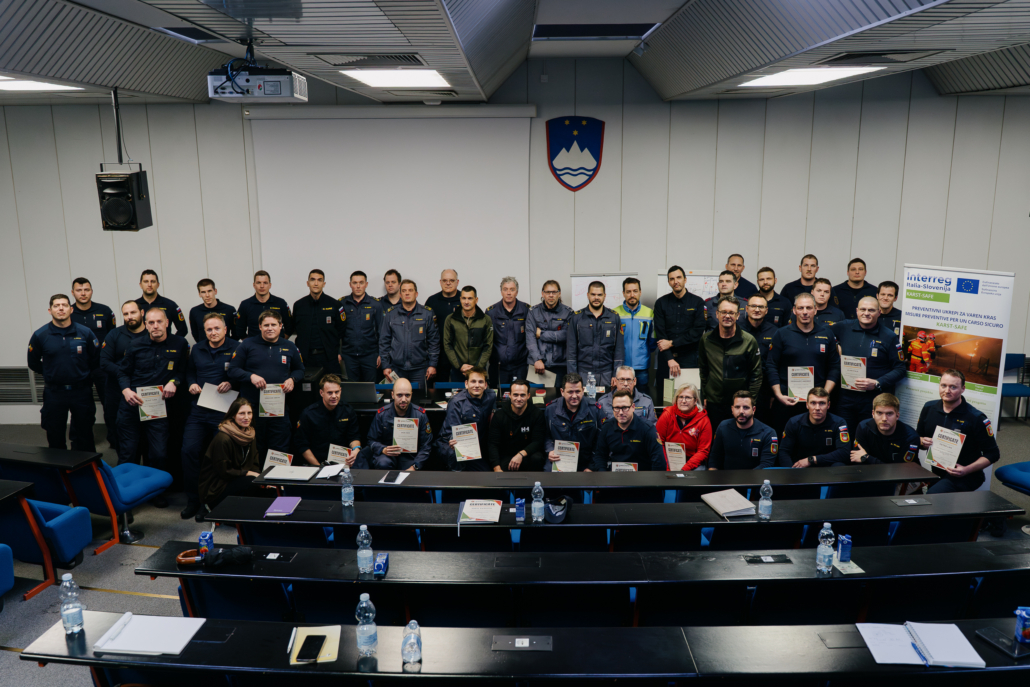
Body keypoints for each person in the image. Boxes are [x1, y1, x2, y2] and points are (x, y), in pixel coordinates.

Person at [116, 308, 189, 505]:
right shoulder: (135, 344)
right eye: (150, 322)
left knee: (159, 454)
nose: (155, 326)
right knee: (128, 453)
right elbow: (122, 372)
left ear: (167, 323)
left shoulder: (179, 344)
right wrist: (126, 390)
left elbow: (182, 371)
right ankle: (123, 498)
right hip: (132, 405)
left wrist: (174, 382)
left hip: (158, 408)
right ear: (145, 324)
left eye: (159, 322)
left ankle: (155, 492)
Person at [179, 313, 239, 519]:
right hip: (199, 409)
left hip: (224, 411)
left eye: (217, 328)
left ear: (225, 329)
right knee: (189, 451)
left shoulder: (237, 348)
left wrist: (232, 382)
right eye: (209, 329)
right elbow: (189, 372)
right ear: (204, 332)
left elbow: (244, 373)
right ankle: (194, 500)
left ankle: (212, 502)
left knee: (219, 457)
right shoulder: (197, 349)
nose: (213, 332)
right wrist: (191, 383)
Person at [28, 294, 101, 452]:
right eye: (56, 306)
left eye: (64, 305)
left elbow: (96, 359)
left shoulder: (85, 333)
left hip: (81, 392)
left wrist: (82, 374)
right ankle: (59, 468)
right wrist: (51, 373)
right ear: (50, 310)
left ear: (71, 309)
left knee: (85, 435)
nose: (61, 308)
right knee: (55, 436)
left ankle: (86, 466)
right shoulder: (40, 335)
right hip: (54, 393)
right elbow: (33, 362)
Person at [227, 310, 304, 455]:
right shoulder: (247, 344)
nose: (270, 328)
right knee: (255, 448)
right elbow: (233, 370)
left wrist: (292, 379)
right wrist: (251, 376)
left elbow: (300, 370)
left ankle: (276, 471)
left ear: (280, 326)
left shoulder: (290, 346)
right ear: (260, 326)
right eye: (266, 325)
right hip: (252, 409)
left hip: (278, 408)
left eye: (273, 325)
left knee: (279, 449)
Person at [831, 296, 906, 436]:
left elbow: (900, 369)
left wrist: (877, 383)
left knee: (868, 437)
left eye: (871, 310)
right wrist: (835, 347)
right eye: (863, 309)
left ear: (879, 312)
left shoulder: (889, 336)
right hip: (845, 398)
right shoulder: (843, 327)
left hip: (872, 399)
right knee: (844, 436)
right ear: (857, 311)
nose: (866, 313)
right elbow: (820, 332)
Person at [917, 369, 1000, 493]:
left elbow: (993, 454)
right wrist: (922, 442)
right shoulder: (929, 408)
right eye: (943, 385)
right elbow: (919, 437)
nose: (947, 391)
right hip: (937, 472)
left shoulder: (976, 417)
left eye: (953, 387)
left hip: (966, 475)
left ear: (963, 389)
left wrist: (966, 470)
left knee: (932, 496)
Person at [766, 293, 841, 430]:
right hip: (787, 400)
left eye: (809, 308)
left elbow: (834, 366)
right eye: (800, 308)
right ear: (794, 310)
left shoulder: (827, 334)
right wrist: (778, 395)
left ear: (815, 310)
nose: (805, 312)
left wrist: (824, 395)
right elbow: (771, 365)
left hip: (816, 402)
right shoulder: (781, 334)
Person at [698, 295, 763, 431]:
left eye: (731, 313)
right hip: (714, 403)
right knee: (716, 439)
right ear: (717, 314)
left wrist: (749, 401)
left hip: (740, 405)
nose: (727, 316)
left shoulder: (748, 341)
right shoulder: (706, 340)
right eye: (724, 312)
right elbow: (703, 370)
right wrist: (705, 395)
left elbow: (756, 375)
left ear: (738, 315)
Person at [197, 398, 263, 519]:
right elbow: (224, 472)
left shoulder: (250, 434)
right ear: (233, 415)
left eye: (249, 413)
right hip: (217, 488)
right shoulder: (223, 438)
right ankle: (212, 509)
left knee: (265, 487)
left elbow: (254, 463)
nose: (246, 417)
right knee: (251, 482)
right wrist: (248, 473)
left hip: (236, 479)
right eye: (241, 413)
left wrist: (261, 479)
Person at [70, 278, 116, 441]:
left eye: (86, 290)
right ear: (73, 292)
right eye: (79, 290)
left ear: (91, 291)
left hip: (102, 366)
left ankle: (115, 439)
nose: (83, 293)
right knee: (81, 405)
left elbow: (113, 336)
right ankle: (81, 440)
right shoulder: (68, 313)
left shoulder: (105, 310)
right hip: (79, 367)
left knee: (109, 403)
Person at [99, 301, 147, 453]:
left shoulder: (151, 333)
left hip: (145, 388)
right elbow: (104, 362)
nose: (129, 317)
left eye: (133, 312)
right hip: (117, 390)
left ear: (142, 313)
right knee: (120, 429)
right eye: (126, 314)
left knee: (148, 431)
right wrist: (125, 373)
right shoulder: (114, 334)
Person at [379, 279, 439, 389]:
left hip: (420, 369)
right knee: (398, 397)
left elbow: (434, 341)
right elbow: (384, 341)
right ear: (400, 294)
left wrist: (432, 364)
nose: (407, 293)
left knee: (419, 398)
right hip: (397, 368)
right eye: (404, 291)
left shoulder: (427, 313)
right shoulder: (391, 314)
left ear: (416, 294)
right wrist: (386, 365)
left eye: (410, 290)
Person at [293, 373, 362, 467]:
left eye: (337, 392)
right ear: (321, 393)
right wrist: (318, 467)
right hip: (318, 462)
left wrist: (356, 449)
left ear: (341, 391)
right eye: (330, 393)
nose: (334, 396)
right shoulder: (308, 414)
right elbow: (302, 445)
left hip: (343, 462)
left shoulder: (347, 410)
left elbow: (354, 436)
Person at [437, 367, 497, 472]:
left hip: (476, 444)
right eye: (473, 381)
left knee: (485, 474)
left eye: (480, 382)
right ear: (466, 384)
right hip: (451, 443)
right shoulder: (456, 402)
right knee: (456, 456)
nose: (477, 385)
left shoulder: (491, 396)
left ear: (485, 385)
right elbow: (453, 432)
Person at [591, 390, 666, 472]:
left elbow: (659, 462)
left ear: (633, 407)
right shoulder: (607, 427)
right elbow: (600, 456)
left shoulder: (647, 429)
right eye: (616, 408)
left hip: (641, 477)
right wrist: (603, 475)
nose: (620, 412)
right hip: (615, 476)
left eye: (625, 408)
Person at [366, 378, 432, 471]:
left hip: (410, 457)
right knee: (383, 463)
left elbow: (426, 446)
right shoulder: (382, 414)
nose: (403, 399)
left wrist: (415, 467)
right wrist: (383, 449)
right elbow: (371, 440)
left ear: (411, 395)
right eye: (399, 395)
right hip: (388, 455)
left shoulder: (420, 415)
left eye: (407, 395)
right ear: (392, 395)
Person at [567, 281, 624, 387]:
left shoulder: (614, 317)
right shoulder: (577, 318)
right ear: (588, 295)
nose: (596, 298)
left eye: (599, 295)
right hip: (583, 373)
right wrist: (573, 376)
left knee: (607, 398)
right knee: (585, 398)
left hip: (607, 373)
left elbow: (619, 349)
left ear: (604, 296)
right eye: (593, 294)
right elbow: (571, 350)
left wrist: (616, 374)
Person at [544, 373, 605, 472]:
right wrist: (550, 450)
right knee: (548, 475)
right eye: (570, 392)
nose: (574, 396)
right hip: (559, 458)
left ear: (583, 390)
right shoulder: (550, 409)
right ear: (562, 392)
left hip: (587, 459)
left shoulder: (595, 410)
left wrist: (591, 466)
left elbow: (601, 440)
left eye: (577, 391)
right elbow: (546, 435)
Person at [654, 265, 706, 379]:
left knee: (689, 389)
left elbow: (697, 332)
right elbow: (660, 333)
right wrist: (670, 358)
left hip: (690, 358)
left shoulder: (698, 302)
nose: (675, 281)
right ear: (668, 282)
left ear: (685, 279)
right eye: (672, 279)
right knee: (665, 390)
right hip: (666, 358)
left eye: (678, 277)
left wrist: (672, 343)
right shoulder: (660, 303)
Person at [292, 269, 347, 376]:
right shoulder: (299, 305)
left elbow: (342, 329)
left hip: (329, 358)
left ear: (324, 284)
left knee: (332, 385)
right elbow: (295, 328)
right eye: (313, 280)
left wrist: (335, 351)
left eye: (319, 280)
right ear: (308, 283)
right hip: (305, 358)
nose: (316, 283)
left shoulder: (335, 304)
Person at [779, 387, 850, 468]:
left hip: (828, 466)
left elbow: (844, 452)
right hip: (801, 467)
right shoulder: (794, 422)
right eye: (813, 403)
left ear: (828, 405)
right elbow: (784, 452)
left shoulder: (839, 423)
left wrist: (812, 460)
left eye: (822, 403)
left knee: (839, 466)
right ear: (807, 405)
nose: (817, 408)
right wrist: (791, 472)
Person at [708, 391, 778, 470]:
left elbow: (766, 465)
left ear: (753, 409)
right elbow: (715, 458)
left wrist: (745, 477)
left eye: (746, 407)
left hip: (755, 476)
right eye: (737, 407)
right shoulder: (723, 427)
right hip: (727, 477)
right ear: (732, 409)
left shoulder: (768, 433)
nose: (741, 411)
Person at [487, 379, 546, 472]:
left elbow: (538, 441)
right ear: (510, 395)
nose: (519, 399)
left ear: (528, 396)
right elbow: (493, 444)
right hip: (507, 456)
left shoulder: (537, 414)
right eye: (515, 395)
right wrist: (496, 468)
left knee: (537, 458)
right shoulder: (499, 415)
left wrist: (520, 454)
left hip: (527, 455)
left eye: (522, 395)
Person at [526, 280, 573, 391]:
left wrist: (541, 334)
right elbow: (530, 338)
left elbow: (566, 335)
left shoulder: (568, 313)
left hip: (560, 366)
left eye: (554, 292)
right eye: (547, 292)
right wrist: (537, 359)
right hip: (537, 365)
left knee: (559, 397)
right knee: (537, 398)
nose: (551, 295)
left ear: (559, 294)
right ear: (542, 294)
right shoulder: (533, 312)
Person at [740, 294, 779, 423]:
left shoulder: (774, 332)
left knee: (761, 422)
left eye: (761, 307)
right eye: (753, 306)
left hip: (764, 388)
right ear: (747, 308)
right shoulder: (736, 328)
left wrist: (773, 393)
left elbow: (777, 363)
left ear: (766, 310)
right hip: (740, 384)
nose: (757, 310)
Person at [655, 383, 712, 471]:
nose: (683, 401)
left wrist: (684, 469)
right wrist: (667, 467)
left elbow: (703, 451)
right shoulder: (667, 415)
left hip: (693, 463)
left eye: (688, 397)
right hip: (669, 460)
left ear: (695, 401)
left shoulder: (703, 420)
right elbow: (659, 443)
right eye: (680, 397)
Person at [851, 393, 920, 465]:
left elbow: (900, 470)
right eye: (879, 413)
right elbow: (857, 459)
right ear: (873, 414)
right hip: (870, 471)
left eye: (889, 413)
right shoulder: (863, 427)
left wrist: (867, 458)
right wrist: (866, 459)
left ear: (897, 416)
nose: (884, 419)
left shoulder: (911, 437)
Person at [442, 286, 493, 382]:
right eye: (464, 298)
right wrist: (460, 366)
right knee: (458, 392)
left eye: (470, 298)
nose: (466, 302)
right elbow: (447, 345)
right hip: (458, 370)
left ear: (476, 300)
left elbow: (488, 346)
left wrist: (477, 368)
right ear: (460, 299)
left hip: (479, 370)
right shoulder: (450, 319)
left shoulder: (485, 319)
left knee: (478, 392)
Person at [340, 271, 384, 382]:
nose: (358, 286)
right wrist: (338, 352)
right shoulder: (342, 304)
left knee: (370, 387)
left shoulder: (375, 304)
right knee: (352, 387)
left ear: (366, 284)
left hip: (370, 355)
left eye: (361, 282)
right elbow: (337, 331)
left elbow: (382, 331)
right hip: (349, 355)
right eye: (355, 283)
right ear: (350, 284)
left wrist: (381, 354)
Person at [487, 277, 530, 386]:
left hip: (520, 366)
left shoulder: (526, 310)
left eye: (512, 289)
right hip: (498, 366)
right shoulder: (491, 312)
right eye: (505, 289)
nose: (509, 293)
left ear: (517, 292)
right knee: (498, 395)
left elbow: (532, 337)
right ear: (501, 292)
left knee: (520, 394)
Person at [614, 278, 656, 389]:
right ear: (623, 293)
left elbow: (652, 339)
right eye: (628, 292)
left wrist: (643, 351)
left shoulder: (649, 313)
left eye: (635, 291)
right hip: (621, 367)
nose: (632, 295)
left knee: (642, 396)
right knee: (622, 397)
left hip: (641, 367)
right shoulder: (615, 313)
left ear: (640, 292)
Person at [425, 269, 462, 384]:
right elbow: (425, 329)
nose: (448, 283)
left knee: (461, 388)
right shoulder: (432, 301)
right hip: (439, 354)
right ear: (440, 282)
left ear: (457, 282)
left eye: (452, 280)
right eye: (445, 280)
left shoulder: (465, 299)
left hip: (460, 353)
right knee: (439, 388)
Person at [237, 270, 293, 340]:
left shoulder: (280, 303)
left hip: (277, 344)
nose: (262, 286)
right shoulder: (245, 304)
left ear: (270, 285)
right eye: (258, 283)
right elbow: (240, 329)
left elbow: (289, 327)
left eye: (265, 283)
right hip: (254, 345)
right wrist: (249, 344)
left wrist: (281, 341)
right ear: (254, 285)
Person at [135, 269, 187, 337]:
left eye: (153, 281)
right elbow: (128, 330)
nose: (149, 284)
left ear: (158, 285)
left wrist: (171, 342)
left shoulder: (170, 304)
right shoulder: (134, 306)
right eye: (146, 281)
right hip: (140, 344)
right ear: (140, 285)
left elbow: (183, 329)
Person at [188, 279, 238, 343]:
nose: (207, 295)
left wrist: (228, 346)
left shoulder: (229, 310)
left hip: (226, 347)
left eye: (209, 291)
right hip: (203, 348)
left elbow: (236, 333)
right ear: (199, 294)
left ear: (215, 291)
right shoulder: (194, 311)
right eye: (203, 292)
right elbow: (195, 334)